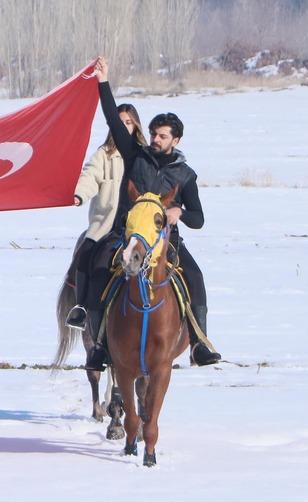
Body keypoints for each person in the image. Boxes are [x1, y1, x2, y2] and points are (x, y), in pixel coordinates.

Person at [84, 56, 221, 371]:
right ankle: (99, 346)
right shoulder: (136, 156)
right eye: (155, 134)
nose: (156, 140)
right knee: (101, 271)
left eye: (163, 136)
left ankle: (199, 343)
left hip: (166, 244)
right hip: (127, 236)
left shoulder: (185, 174)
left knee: (196, 277)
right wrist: (103, 82)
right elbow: (112, 120)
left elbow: (199, 219)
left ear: (176, 140)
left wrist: (179, 211)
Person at [65, 103, 147, 330]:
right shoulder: (104, 154)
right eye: (120, 122)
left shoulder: (145, 156)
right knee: (85, 254)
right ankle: (81, 308)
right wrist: (79, 195)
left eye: (128, 122)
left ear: (136, 126)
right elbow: (90, 175)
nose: (124, 126)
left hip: (139, 226)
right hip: (107, 224)